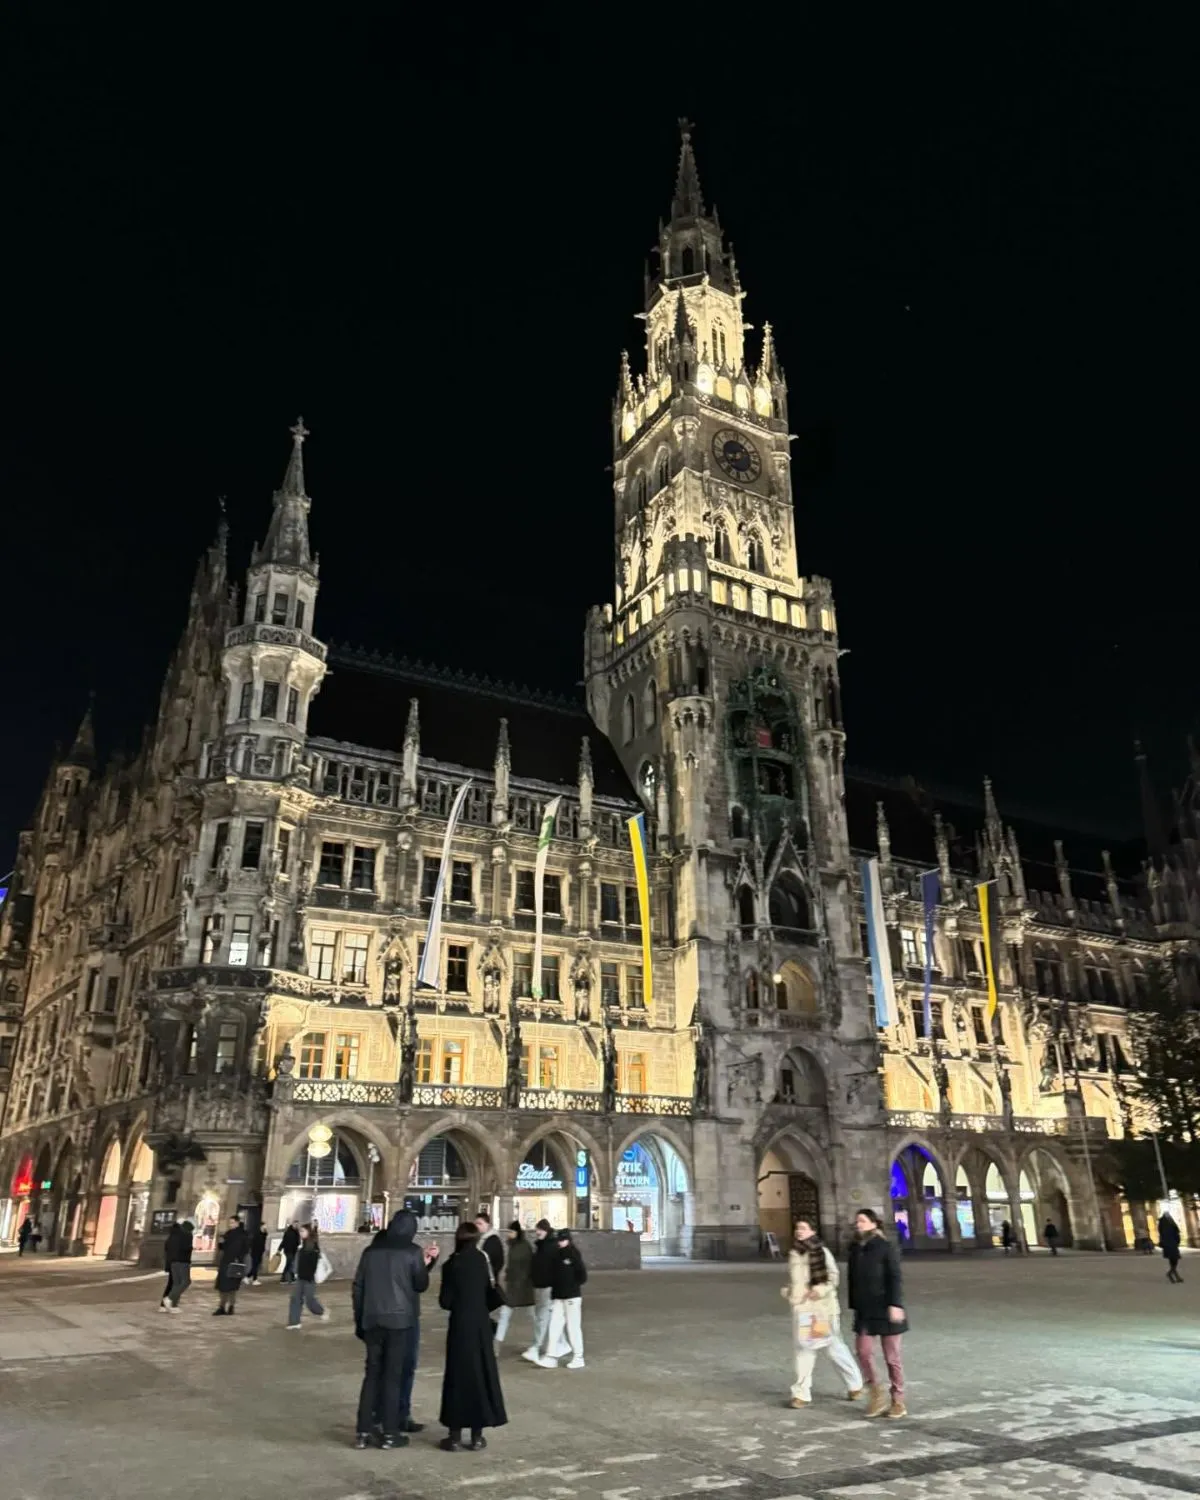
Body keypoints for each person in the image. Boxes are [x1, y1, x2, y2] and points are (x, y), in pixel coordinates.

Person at [352, 1209, 438, 1450]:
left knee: (371, 1375)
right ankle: (390, 1433)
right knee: (393, 1375)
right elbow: (420, 1284)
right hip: (400, 1323)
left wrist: (360, 1320)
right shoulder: (412, 1252)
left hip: (372, 1321)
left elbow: (358, 1287)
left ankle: (363, 1431)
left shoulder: (370, 1253)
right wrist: (427, 1263)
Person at [438, 1221, 508, 1451]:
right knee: (480, 1374)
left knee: (457, 1377)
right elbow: (491, 1290)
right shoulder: (483, 1260)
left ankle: (455, 1435)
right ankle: (477, 1436)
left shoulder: (451, 1265)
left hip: (460, 1325)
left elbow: (445, 1301)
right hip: (480, 1325)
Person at [783, 1219, 863, 1408]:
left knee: (833, 1348)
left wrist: (819, 1290)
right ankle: (801, 1393)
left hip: (822, 1309)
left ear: (812, 1231)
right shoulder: (794, 1253)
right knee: (804, 1350)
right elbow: (795, 1281)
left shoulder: (822, 1251)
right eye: (797, 1228)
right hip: (802, 1309)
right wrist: (790, 1291)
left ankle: (855, 1384)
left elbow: (833, 1277)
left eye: (803, 1228)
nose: (798, 1231)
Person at [847, 1208, 907, 1419]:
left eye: (862, 1220)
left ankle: (898, 1400)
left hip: (887, 1307)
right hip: (865, 1310)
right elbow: (852, 1280)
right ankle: (876, 1392)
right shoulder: (855, 1248)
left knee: (892, 1357)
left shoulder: (885, 1247)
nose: (858, 1224)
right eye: (857, 1221)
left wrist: (896, 1304)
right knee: (862, 1351)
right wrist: (854, 1305)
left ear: (874, 1223)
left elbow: (895, 1277)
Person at [539, 1227, 587, 1370]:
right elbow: (554, 1276)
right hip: (559, 1297)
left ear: (569, 1240)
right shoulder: (557, 1254)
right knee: (554, 1326)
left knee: (573, 1327)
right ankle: (551, 1356)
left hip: (571, 1297)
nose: (561, 1243)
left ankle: (579, 1356)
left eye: (564, 1240)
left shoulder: (573, 1254)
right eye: (559, 1240)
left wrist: (571, 1286)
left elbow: (582, 1276)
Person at [494, 1221, 536, 1350]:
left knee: (534, 1316)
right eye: (509, 1232)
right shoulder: (513, 1245)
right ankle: (497, 1342)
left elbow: (528, 1266)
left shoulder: (524, 1246)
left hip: (524, 1287)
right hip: (513, 1287)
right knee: (505, 1314)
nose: (509, 1234)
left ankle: (539, 1342)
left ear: (517, 1233)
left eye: (511, 1232)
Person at [521, 1219, 556, 1365]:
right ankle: (560, 1345)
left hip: (547, 1286)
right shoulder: (541, 1246)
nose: (537, 1232)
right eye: (536, 1230)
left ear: (546, 1230)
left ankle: (536, 1347)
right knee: (547, 1318)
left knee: (542, 1317)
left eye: (539, 1230)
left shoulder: (550, 1246)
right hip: (540, 1286)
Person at [287, 1223, 330, 1328]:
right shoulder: (302, 1245)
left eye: (303, 1231)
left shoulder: (313, 1246)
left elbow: (312, 1262)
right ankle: (294, 1322)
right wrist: (296, 1272)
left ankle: (321, 1311)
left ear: (308, 1232)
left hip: (309, 1278)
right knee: (295, 1298)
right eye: (300, 1231)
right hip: (300, 1276)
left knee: (310, 1300)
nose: (301, 1233)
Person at [213, 1215, 249, 1316]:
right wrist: (220, 1243)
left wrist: (240, 1260)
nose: (230, 1224)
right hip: (225, 1262)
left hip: (235, 1263)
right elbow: (223, 1247)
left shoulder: (242, 1235)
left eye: (232, 1222)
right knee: (222, 1286)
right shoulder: (228, 1234)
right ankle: (222, 1306)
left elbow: (245, 1250)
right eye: (230, 1223)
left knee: (232, 1287)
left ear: (237, 1223)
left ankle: (231, 1307)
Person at [160, 1218, 194, 1312]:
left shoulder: (172, 1234)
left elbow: (167, 1248)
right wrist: (190, 1248)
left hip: (172, 1262)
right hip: (182, 1261)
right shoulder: (186, 1234)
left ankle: (173, 1306)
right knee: (185, 1281)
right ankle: (169, 1299)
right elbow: (185, 1248)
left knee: (176, 1283)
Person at [475, 1211, 505, 1281]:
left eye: (480, 1223)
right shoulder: (481, 1238)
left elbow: (497, 1262)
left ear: (488, 1224)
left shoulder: (492, 1240)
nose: (477, 1226)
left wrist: (490, 1274)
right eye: (476, 1223)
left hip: (487, 1279)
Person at [1159, 1212, 1183, 1284]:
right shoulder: (1167, 1223)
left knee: (1173, 1260)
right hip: (1170, 1244)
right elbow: (1176, 1232)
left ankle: (1174, 1275)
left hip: (1171, 1244)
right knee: (1174, 1260)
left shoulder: (1165, 1223)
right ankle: (1171, 1274)